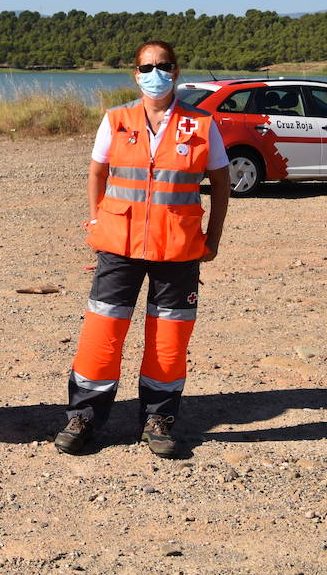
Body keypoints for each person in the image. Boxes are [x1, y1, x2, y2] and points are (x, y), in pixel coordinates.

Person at [54, 40, 229, 458]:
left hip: (179, 249)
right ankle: (84, 418)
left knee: (169, 339)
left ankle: (158, 419)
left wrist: (213, 237)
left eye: (163, 65)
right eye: (147, 67)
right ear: (136, 74)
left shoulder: (201, 125)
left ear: (176, 71)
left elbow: (221, 184)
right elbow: (97, 172)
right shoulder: (115, 119)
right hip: (119, 245)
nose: (156, 73)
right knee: (102, 333)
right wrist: (98, 219)